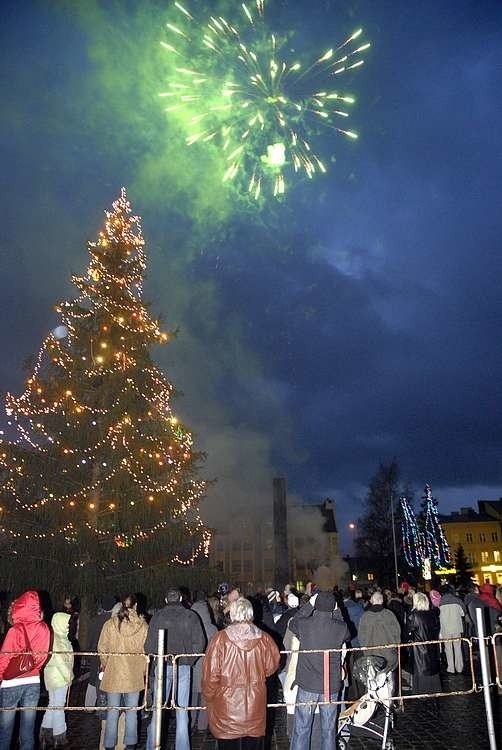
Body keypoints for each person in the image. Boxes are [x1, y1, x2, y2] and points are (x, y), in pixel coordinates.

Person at [202, 596, 280, 750]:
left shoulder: (219, 640)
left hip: (226, 709)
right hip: (255, 708)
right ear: (251, 614)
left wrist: (209, 699)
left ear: (232, 614)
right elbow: (272, 666)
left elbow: (210, 677)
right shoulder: (265, 639)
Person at [145, 588, 205, 750]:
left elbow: (148, 645)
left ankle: (152, 746)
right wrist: (188, 660)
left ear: (165, 600)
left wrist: (157, 659)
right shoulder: (190, 616)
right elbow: (200, 643)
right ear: (180, 599)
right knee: (182, 711)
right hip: (183, 666)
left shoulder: (157, 617)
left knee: (158, 710)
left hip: (163, 666)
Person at [288, 591, 350, 750]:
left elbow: (292, 623)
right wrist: (337, 611)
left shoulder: (305, 624)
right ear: (333, 607)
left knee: (302, 729)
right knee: (329, 731)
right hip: (330, 687)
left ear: (315, 605)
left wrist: (308, 605)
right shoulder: (340, 627)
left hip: (308, 684)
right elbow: (348, 633)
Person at [0, 590, 50, 750]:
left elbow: (4, 657)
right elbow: (43, 656)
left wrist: (1, 676)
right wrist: (34, 670)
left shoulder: (15, 630)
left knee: (5, 730)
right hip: (33, 683)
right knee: (28, 730)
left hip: (11, 684)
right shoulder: (44, 628)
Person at [98, 594, 148, 750]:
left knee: (112, 711)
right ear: (136, 606)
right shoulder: (143, 626)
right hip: (134, 676)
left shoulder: (109, 624)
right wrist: (143, 671)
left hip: (113, 673)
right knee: (132, 712)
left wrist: (107, 664)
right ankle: (131, 744)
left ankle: (109, 745)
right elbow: (146, 652)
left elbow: (102, 649)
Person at [39, 612, 74, 748]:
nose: (68, 625)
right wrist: (69, 677)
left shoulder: (56, 638)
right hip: (59, 677)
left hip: (52, 676)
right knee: (59, 705)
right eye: (66, 623)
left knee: (52, 704)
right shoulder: (59, 641)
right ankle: (59, 737)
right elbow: (62, 662)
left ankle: (45, 735)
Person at [357, 591, 401, 690]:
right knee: (389, 681)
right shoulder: (389, 615)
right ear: (382, 601)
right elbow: (397, 633)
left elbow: (361, 636)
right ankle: (389, 702)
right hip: (388, 654)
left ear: (372, 601)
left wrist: (365, 649)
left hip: (371, 655)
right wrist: (395, 647)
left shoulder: (365, 617)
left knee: (373, 681)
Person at [190, 593, 218, 732]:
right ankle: (202, 724)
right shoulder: (213, 629)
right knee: (205, 698)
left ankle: (190, 722)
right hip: (208, 668)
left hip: (194, 666)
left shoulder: (190, 627)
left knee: (192, 696)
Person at [407, 592, 441, 703]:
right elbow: (436, 629)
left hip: (419, 648)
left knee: (420, 670)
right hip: (432, 646)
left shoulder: (414, 615)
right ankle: (434, 691)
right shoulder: (433, 614)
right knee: (431, 669)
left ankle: (421, 692)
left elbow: (408, 631)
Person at [439, 586, 466, 674]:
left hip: (445, 628)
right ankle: (459, 667)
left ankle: (451, 668)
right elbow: (463, 613)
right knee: (458, 647)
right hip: (457, 627)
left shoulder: (440, 602)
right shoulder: (457, 601)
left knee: (448, 648)